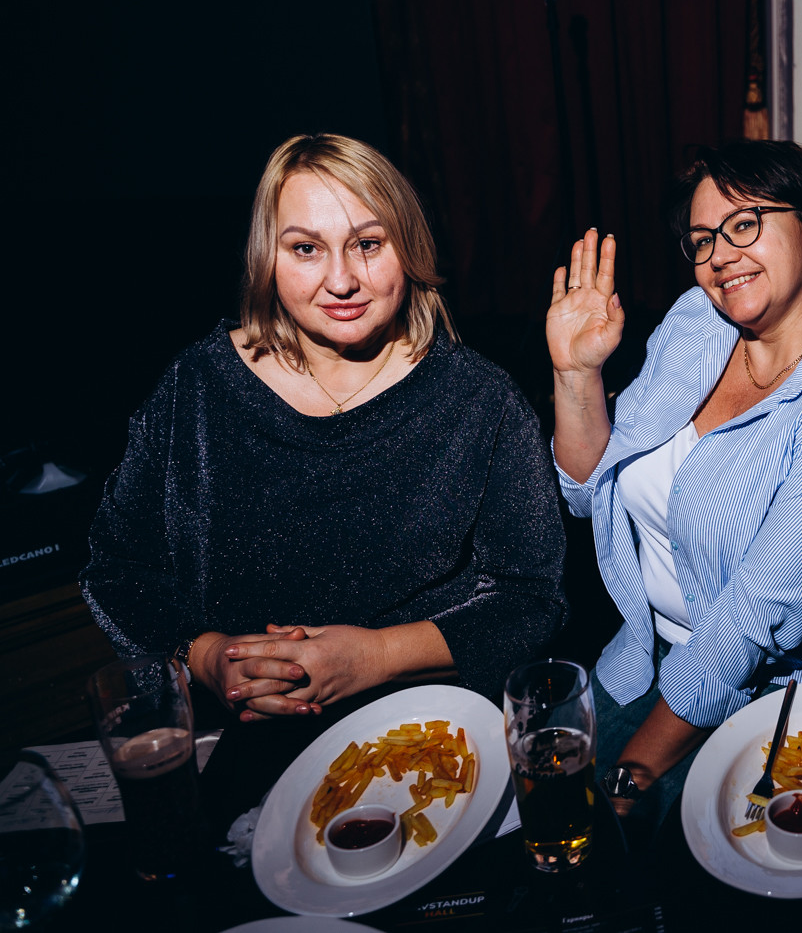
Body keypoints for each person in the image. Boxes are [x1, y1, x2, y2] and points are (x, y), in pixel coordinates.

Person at [82, 134, 568, 721]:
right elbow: (118, 569)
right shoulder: (198, 387)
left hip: (428, 731)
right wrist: (208, 658)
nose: (341, 281)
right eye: (306, 248)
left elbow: (531, 599)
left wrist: (378, 656)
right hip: (242, 737)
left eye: (367, 244)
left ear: (408, 247)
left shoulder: (480, 400)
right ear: (267, 257)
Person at [547, 140, 802, 820]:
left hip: (781, 697)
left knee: (619, 847)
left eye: (745, 224)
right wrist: (576, 374)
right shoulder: (698, 322)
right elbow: (588, 494)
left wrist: (629, 781)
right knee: (525, 806)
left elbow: (747, 627)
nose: (719, 255)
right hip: (642, 655)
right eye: (702, 239)